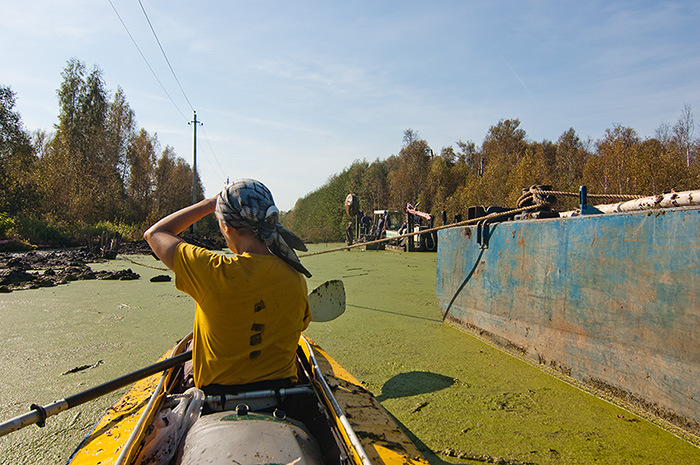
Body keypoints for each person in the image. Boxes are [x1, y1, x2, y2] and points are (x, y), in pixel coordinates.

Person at [144, 179, 312, 394]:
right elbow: (301, 324)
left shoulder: (211, 270)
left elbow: (155, 233)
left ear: (226, 227)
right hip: (283, 394)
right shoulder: (295, 276)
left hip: (215, 395)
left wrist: (208, 204)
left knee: (189, 355)